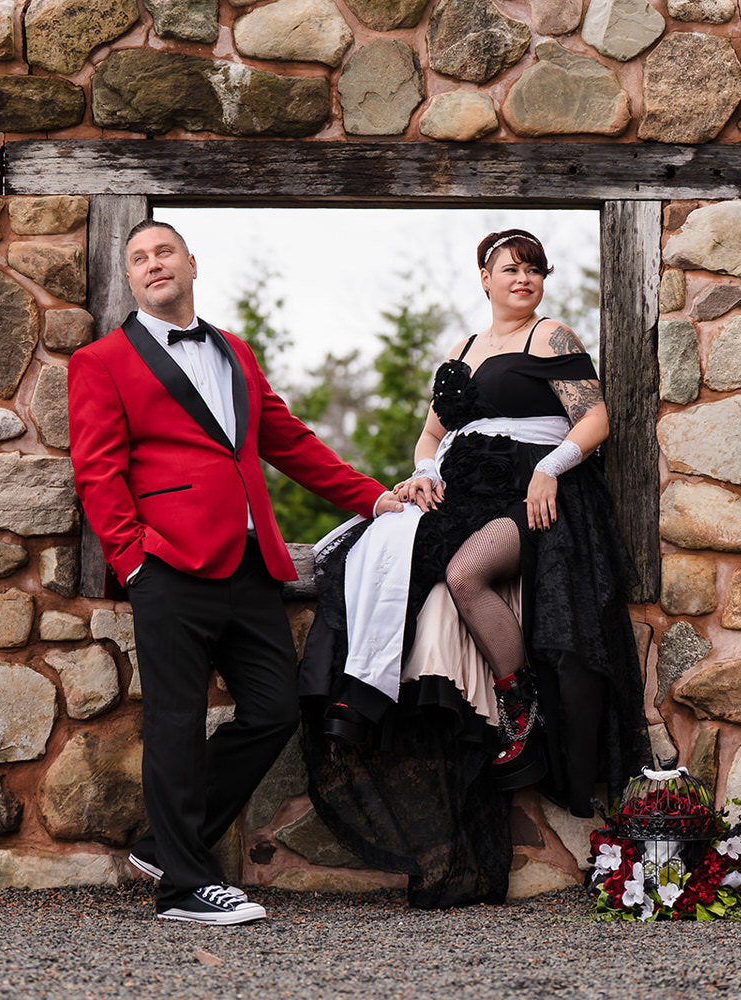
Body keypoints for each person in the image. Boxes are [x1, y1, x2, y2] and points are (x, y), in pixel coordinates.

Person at [67, 220, 402, 925]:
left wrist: (374, 496)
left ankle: (166, 845)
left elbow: (290, 442)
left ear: (191, 263)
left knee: (276, 710)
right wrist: (134, 559)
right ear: (129, 279)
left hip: (251, 566)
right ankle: (186, 888)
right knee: (176, 723)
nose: (153, 265)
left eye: (164, 252)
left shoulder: (234, 352)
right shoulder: (101, 361)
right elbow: (98, 472)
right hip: (168, 568)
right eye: (139, 260)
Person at [302, 229, 649, 908]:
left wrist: (550, 469)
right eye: (510, 269)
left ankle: (522, 708)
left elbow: (596, 417)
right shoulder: (461, 351)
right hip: (464, 493)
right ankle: (360, 699)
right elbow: (430, 435)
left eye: (534, 269)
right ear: (484, 278)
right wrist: (424, 474)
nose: (524, 279)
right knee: (376, 556)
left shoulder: (550, 336)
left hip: (533, 494)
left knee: (464, 575)